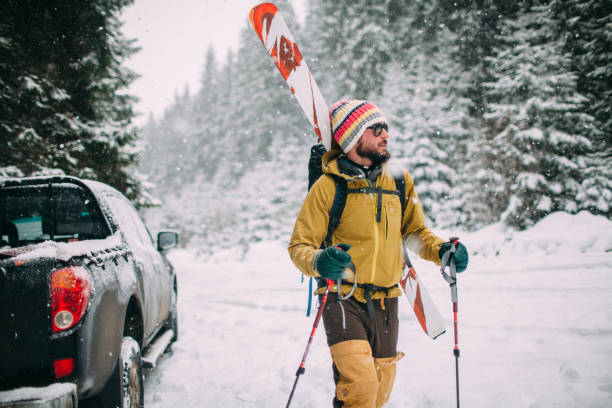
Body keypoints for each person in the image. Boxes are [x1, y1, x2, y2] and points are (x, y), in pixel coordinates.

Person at [288, 99, 468, 407]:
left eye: (386, 128)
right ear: (353, 136)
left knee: (380, 391)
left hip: (387, 300)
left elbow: (413, 233)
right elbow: (299, 246)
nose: (386, 135)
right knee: (360, 387)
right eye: (377, 129)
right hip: (341, 298)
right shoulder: (328, 186)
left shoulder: (398, 181)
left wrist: (442, 251)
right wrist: (321, 261)